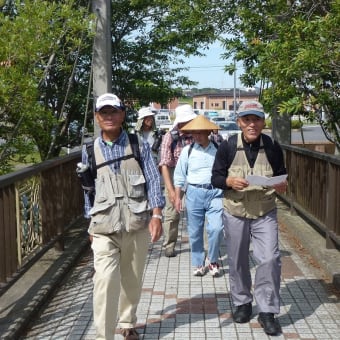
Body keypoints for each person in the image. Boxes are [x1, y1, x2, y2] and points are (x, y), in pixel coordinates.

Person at [81, 93, 165, 340]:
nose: (108, 116)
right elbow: (87, 189)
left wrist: (157, 214)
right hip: (104, 226)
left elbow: (152, 178)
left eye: (113, 111)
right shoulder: (89, 149)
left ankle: (127, 323)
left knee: (132, 279)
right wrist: (90, 224)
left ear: (122, 115)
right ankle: (104, 336)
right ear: (97, 117)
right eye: (103, 112)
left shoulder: (138, 144)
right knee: (105, 280)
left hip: (136, 222)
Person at [211, 101, 288, 336]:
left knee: (270, 258)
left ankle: (267, 311)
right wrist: (228, 182)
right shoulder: (228, 146)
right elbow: (215, 178)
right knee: (236, 259)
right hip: (235, 211)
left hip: (265, 212)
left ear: (263, 122)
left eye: (256, 119)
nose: (251, 124)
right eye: (247, 119)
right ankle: (242, 302)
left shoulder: (273, 147)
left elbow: (281, 178)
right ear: (239, 122)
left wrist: (282, 186)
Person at [173, 115, 224, 277]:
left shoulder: (218, 149)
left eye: (201, 132)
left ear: (209, 132)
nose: (197, 135)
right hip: (193, 192)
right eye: (195, 132)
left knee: (216, 228)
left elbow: (226, 171)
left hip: (215, 192)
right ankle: (197, 262)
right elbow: (179, 176)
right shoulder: (187, 151)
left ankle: (213, 259)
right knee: (195, 231)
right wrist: (177, 197)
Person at [159, 104, 197, 257]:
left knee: (197, 212)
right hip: (175, 175)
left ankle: (200, 245)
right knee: (172, 212)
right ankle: (169, 244)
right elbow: (164, 164)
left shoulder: (198, 133)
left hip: (195, 175)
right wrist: (170, 190)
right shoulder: (170, 136)